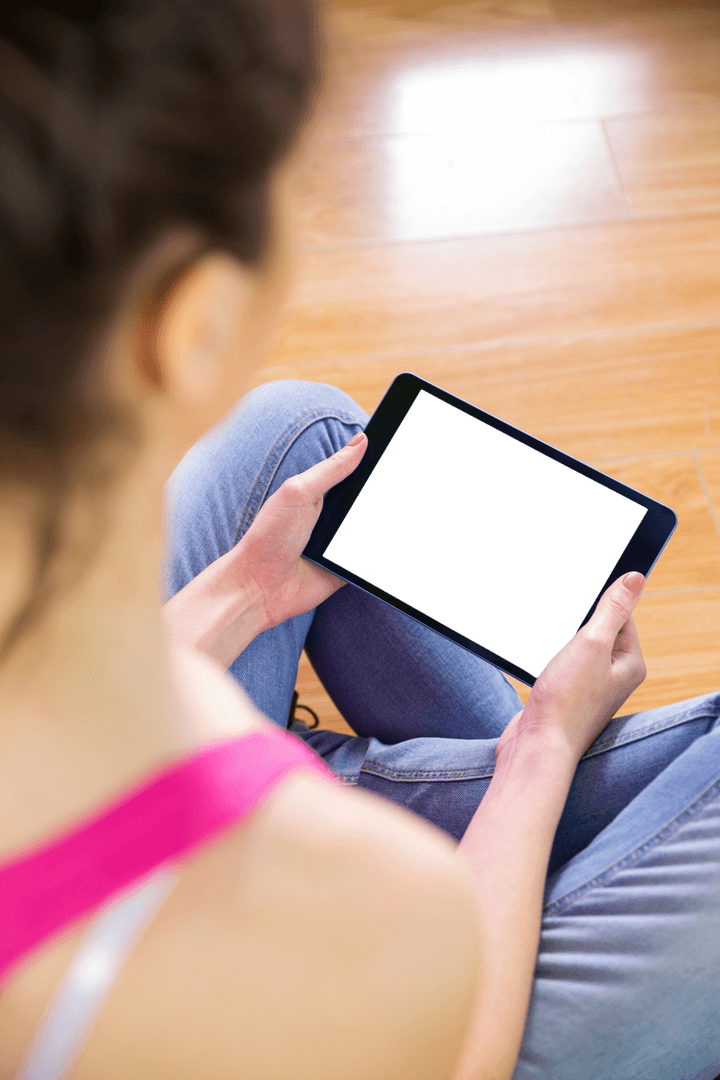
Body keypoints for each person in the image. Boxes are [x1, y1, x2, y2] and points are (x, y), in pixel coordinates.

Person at [0, 0, 718, 1077]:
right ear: (189, 323)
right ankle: (467, 798)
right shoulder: (374, 906)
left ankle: (383, 778)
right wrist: (539, 749)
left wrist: (246, 587)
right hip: (417, 1026)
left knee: (297, 438)